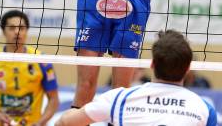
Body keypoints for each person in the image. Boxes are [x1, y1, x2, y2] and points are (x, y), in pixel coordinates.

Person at [55, 30, 217, 126]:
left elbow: (63, 122)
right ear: (189, 68)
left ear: (152, 64)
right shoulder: (204, 109)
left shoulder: (120, 98)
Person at [0, 10, 59, 126]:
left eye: (21, 28)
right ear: (3, 31)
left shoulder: (41, 61)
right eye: (11, 28)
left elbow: (54, 99)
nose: (17, 32)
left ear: (26, 31)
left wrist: (40, 123)